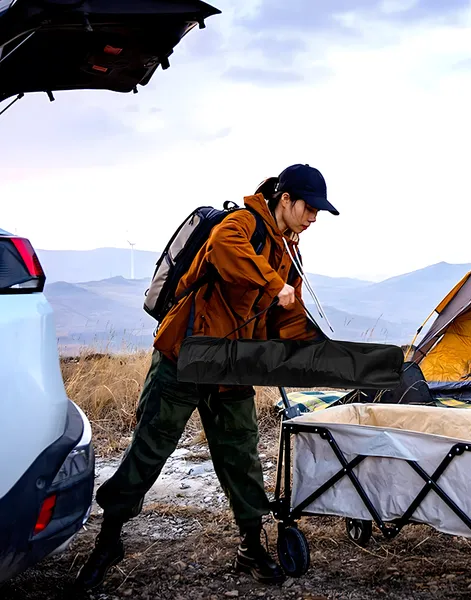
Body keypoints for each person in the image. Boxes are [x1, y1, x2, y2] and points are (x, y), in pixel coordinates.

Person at [75, 164, 339, 590]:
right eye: (309, 208)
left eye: (318, 212)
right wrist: (274, 285)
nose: (313, 218)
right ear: (285, 199)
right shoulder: (242, 223)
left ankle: (250, 547)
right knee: (148, 450)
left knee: (242, 457)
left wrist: (321, 354)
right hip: (185, 356)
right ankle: (107, 542)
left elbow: (287, 318)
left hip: (233, 367)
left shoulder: (290, 253)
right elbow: (222, 249)